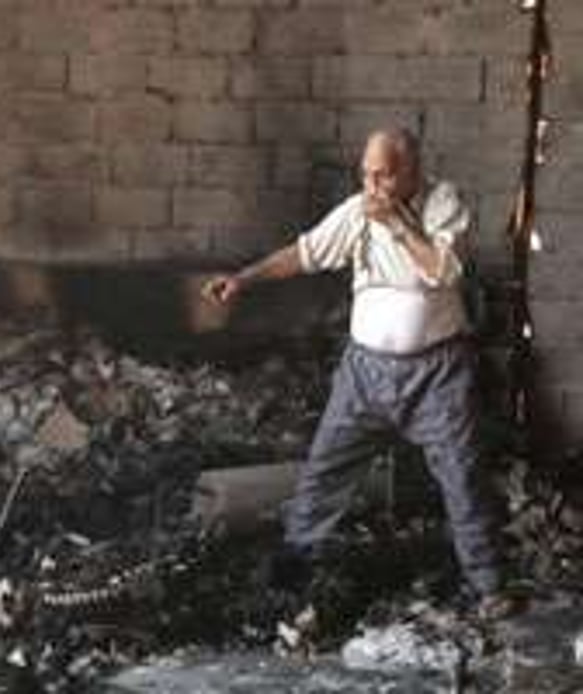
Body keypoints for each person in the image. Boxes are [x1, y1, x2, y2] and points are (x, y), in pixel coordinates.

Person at [202, 128, 515, 619]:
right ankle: (290, 579)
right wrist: (243, 279)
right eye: (365, 174)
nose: (372, 186)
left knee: (462, 476)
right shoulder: (358, 210)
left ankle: (489, 584)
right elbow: (304, 253)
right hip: (365, 375)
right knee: (324, 470)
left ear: (412, 171)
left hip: (437, 376)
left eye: (384, 175)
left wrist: (395, 222)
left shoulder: (442, 203)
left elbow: (442, 270)